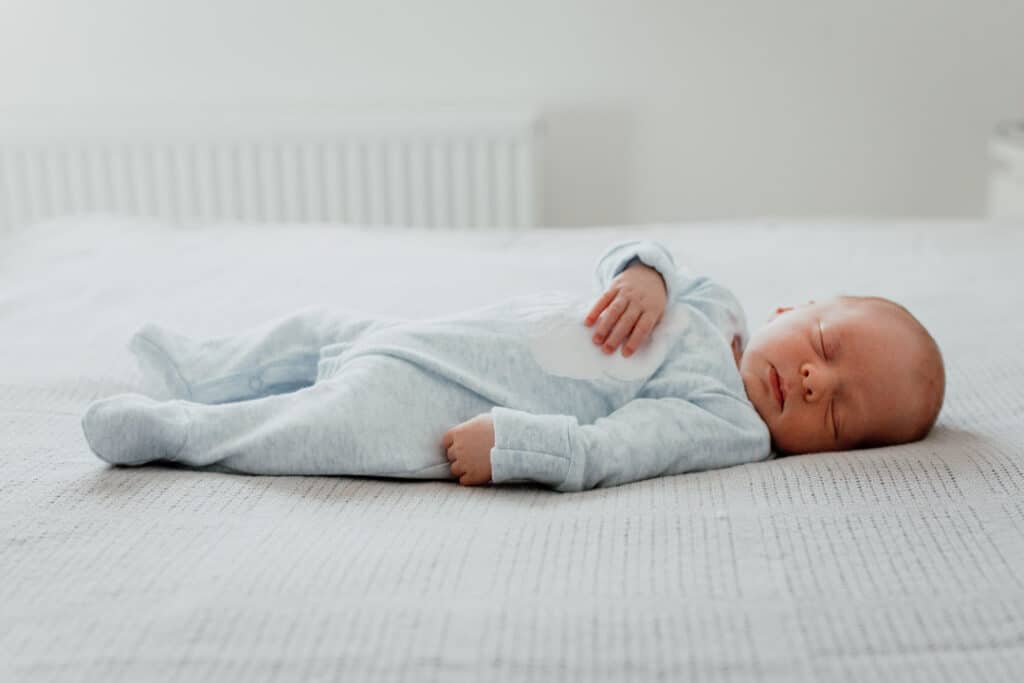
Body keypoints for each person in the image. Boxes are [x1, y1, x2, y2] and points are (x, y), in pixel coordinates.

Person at [81, 239, 945, 492]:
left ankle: (184, 430)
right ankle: (200, 365)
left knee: (321, 424)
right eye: (825, 351)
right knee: (325, 328)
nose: (810, 383)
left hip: (453, 398)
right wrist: (643, 274)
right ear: (796, 312)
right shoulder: (716, 302)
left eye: (836, 415)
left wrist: (522, 445)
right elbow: (639, 256)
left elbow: (616, 447)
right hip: (452, 329)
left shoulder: (724, 427)